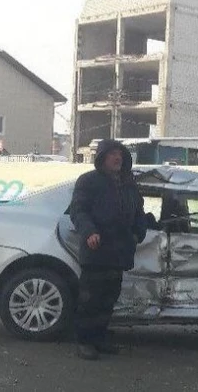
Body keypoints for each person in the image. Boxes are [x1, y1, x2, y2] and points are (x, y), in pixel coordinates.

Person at [66, 139, 148, 360]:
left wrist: (139, 232)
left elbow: (139, 211)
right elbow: (79, 211)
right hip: (96, 250)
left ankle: (100, 338)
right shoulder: (89, 181)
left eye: (120, 153)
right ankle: (84, 342)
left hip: (119, 252)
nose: (117, 157)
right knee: (90, 299)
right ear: (102, 158)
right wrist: (89, 231)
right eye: (112, 153)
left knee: (109, 299)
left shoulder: (128, 183)